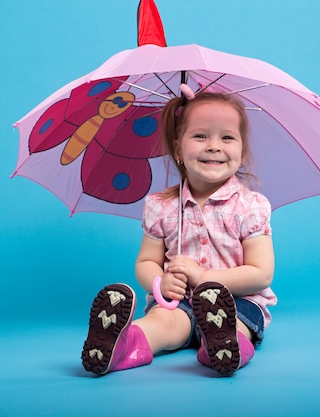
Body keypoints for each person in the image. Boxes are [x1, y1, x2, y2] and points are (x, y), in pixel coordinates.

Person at [81, 86, 277, 376]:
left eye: (227, 137)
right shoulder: (162, 206)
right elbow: (146, 261)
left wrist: (204, 278)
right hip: (179, 301)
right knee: (163, 323)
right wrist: (160, 283)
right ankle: (120, 345)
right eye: (200, 136)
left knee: (234, 324)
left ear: (242, 152)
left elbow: (261, 274)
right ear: (177, 149)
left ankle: (222, 348)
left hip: (237, 302)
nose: (213, 145)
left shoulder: (250, 206)